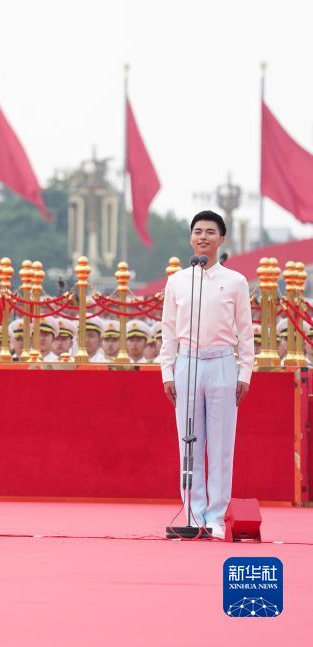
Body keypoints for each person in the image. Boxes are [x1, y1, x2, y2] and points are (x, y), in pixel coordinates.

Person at [159, 210, 254, 539]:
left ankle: (216, 515)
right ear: (190, 238)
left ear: (221, 239)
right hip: (187, 362)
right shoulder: (178, 281)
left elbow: (246, 331)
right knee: (189, 443)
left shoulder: (236, 282)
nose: (203, 236)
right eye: (198, 231)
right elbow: (168, 331)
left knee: (221, 443)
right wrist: (166, 371)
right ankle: (193, 512)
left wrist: (246, 373)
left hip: (223, 363)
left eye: (210, 232)